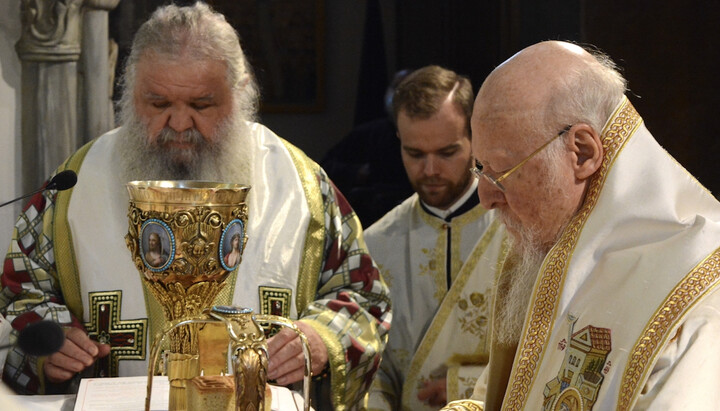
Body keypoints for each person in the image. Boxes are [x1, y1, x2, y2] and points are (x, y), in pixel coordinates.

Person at [0, 3, 391, 409]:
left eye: (201, 105)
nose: (180, 123)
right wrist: (49, 341)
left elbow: (364, 298)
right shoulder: (75, 186)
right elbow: (17, 298)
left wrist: (321, 338)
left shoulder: (300, 185)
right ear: (130, 93)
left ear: (239, 95)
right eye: (158, 104)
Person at [441, 40, 720, 410]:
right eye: (480, 169)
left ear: (583, 152)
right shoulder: (551, 255)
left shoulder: (697, 299)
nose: (486, 197)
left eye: (502, 172)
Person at [363, 65, 506, 410]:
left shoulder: (515, 228)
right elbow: (369, 362)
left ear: (475, 137)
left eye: (446, 153)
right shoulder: (376, 243)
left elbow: (545, 343)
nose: (430, 171)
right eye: (415, 154)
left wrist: (464, 385)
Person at [320, 70, 414, 228]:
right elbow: (325, 167)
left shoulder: (433, 135)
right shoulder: (369, 133)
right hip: (370, 222)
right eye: (397, 88)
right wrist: (357, 173)